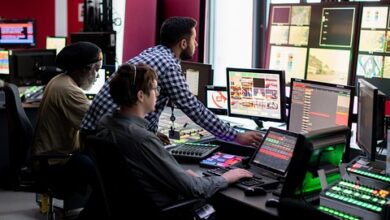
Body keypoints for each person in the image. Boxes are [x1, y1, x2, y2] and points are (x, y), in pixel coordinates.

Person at [95, 63, 253, 214]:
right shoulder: (143, 139)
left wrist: (180, 175)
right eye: (155, 88)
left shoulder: (105, 123)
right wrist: (226, 177)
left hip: (128, 207)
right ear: (141, 95)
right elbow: (195, 189)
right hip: (164, 209)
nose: (158, 93)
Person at [81, 16, 261, 146]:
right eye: (194, 39)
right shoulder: (168, 65)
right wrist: (236, 136)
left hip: (96, 136)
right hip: (115, 140)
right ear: (183, 43)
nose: (196, 44)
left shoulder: (151, 53)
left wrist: (151, 134)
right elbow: (193, 108)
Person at [31, 42, 102, 201]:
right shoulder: (69, 90)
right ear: (85, 68)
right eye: (96, 69)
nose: (97, 75)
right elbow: (98, 123)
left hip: (53, 157)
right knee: (106, 174)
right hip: (55, 163)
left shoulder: (60, 80)